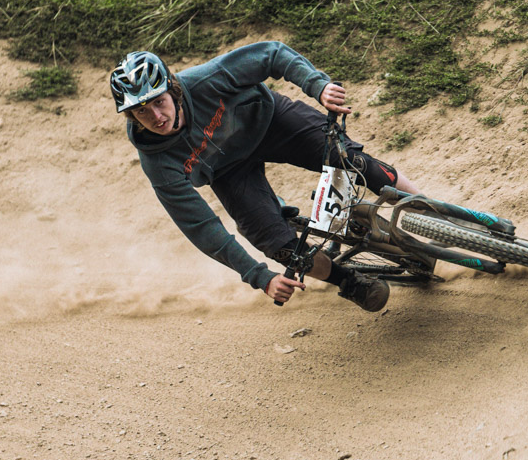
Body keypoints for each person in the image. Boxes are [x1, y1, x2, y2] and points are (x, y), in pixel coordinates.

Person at [110, 42, 422, 311]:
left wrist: (317, 85)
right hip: (229, 173)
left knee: (353, 161)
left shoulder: (205, 81)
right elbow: (200, 226)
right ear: (131, 115)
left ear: (173, 89)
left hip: (271, 122)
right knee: (283, 249)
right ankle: (350, 282)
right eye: (142, 112)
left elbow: (271, 54)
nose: (157, 117)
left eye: (159, 102)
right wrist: (261, 277)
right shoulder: (157, 160)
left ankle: (427, 207)